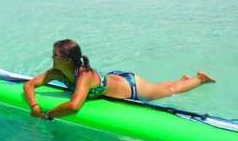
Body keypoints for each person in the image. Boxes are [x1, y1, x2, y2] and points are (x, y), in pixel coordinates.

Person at [24, 38, 216, 120]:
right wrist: (34, 106)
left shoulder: (84, 75)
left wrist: (48, 114)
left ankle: (199, 79)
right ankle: (182, 79)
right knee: (159, 87)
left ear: (66, 59)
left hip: (131, 87)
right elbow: (30, 85)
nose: (51, 57)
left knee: (169, 92)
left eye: (54, 54)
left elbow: (74, 106)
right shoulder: (56, 72)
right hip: (115, 78)